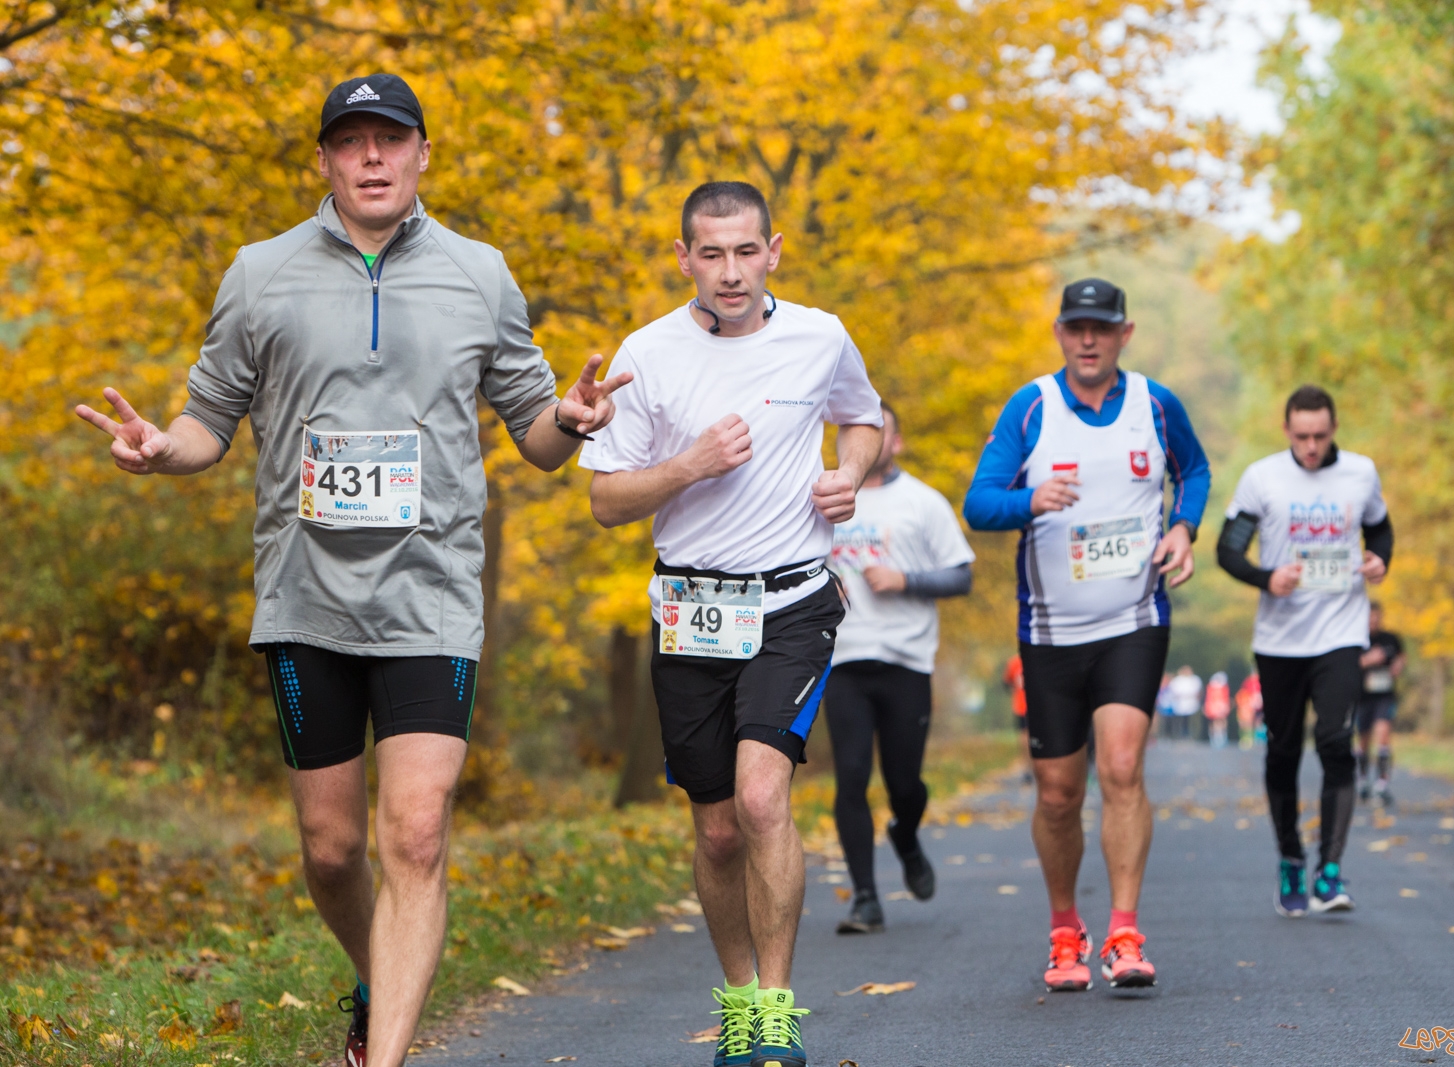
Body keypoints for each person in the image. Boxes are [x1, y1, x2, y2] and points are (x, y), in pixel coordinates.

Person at [73, 74, 629, 1067]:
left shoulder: (479, 273)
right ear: (325, 159)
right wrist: (162, 449)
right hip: (305, 593)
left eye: (391, 139)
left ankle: (386, 1052)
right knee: (331, 849)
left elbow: (536, 439)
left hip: (431, 595)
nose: (371, 157)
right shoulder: (259, 273)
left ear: (421, 153)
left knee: (414, 833)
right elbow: (210, 423)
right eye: (351, 141)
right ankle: (379, 971)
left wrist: (572, 421)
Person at [581, 181, 882, 1067]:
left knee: (760, 798)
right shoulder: (649, 352)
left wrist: (849, 473)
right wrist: (687, 466)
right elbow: (604, 501)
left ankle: (779, 1010)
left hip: (791, 598)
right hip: (690, 610)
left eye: (746, 251)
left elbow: (863, 419)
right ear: (683, 259)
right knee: (715, 827)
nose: (730, 271)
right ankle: (741, 999)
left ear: (774, 249)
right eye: (709, 254)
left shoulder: (820, 335)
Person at [963, 277, 1211, 992]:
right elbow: (979, 503)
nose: (1089, 339)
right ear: (1060, 331)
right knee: (1058, 792)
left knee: (1124, 768)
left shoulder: (1155, 405)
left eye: (1102, 327)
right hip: (1050, 631)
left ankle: (1125, 933)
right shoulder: (1031, 406)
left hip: (1134, 619)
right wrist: (1028, 499)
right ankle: (1066, 930)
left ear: (1125, 333)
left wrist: (1183, 528)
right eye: (1077, 327)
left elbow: (1194, 470)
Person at [1216, 384, 1393, 918]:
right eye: (1301, 437)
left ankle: (1330, 872)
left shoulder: (1361, 472)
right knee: (1284, 751)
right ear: (1287, 431)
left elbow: (1381, 530)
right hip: (1280, 640)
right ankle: (1290, 858)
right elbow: (1228, 549)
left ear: (1333, 429)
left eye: (1319, 436)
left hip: (1341, 633)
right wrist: (1267, 578)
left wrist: (1380, 560)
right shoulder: (1262, 477)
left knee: (1338, 742)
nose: (1311, 447)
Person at [825, 402, 975, 934]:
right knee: (850, 777)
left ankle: (906, 835)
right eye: (855, 432)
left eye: (879, 432)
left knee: (905, 783)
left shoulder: (923, 503)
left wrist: (905, 581)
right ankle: (864, 897)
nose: (867, 442)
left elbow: (962, 578)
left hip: (907, 660)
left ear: (897, 442)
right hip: (842, 658)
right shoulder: (825, 496)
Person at [1357, 603, 1406, 805]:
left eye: (1377, 617)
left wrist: (1398, 665)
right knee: (1363, 741)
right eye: (1370, 618)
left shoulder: (1391, 639)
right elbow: (1347, 664)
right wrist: (1368, 660)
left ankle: (1382, 785)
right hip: (1362, 696)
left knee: (1383, 735)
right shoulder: (1356, 640)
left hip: (1385, 695)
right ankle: (1362, 782)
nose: (1373, 621)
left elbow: (1402, 656)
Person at [1005, 654, 1034, 779]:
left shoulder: (1014, 662)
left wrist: (1014, 689)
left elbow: (1006, 683)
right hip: (1036, 705)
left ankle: (1027, 767)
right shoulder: (1038, 658)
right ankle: (1033, 766)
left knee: (1024, 736)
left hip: (1021, 706)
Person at [1168, 665, 1202, 742]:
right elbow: (1173, 692)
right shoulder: (1177, 680)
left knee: (1191, 722)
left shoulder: (1195, 679)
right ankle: (1177, 735)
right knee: (1179, 722)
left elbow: (1197, 692)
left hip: (1192, 705)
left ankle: (1192, 736)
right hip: (1179, 705)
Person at [1204, 671, 1232, 749]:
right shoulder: (1211, 688)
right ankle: (1215, 738)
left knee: (1222, 721)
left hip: (1220, 707)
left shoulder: (1224, 688)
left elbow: (1225, 699)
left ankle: (1222, 737)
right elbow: (1209, 699)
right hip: (1214, 707)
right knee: (1214, 722)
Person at [1236, 670, 1262, 751]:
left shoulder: (1261, 679)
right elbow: (1244, 691)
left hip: (1260, 704)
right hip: (1248, 704)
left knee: (1259, 721)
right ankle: (1247, 739)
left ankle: (1259, 739)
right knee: (1246, 723)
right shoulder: (1248, 681)